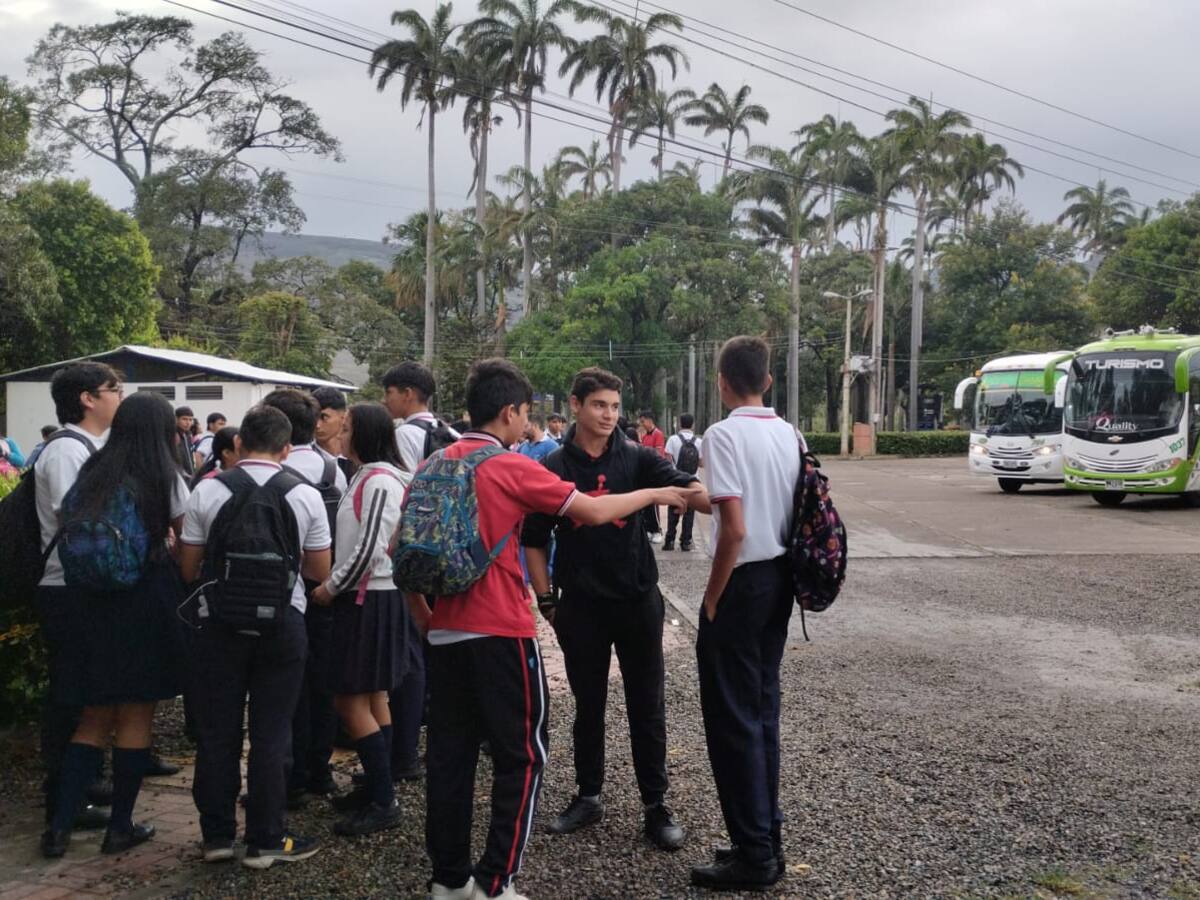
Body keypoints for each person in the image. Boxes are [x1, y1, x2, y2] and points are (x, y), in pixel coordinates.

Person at [417, 358, 695, 900]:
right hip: (511, 626)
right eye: (524, 412)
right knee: (522, 754)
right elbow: (584, 515)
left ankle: (448, 882)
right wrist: (655, 497)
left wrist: (427, 623)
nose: (608, 415)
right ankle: (498, 881)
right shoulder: (524, 466)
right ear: (511, 412)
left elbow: (404, 553)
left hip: (449, 632)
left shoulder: (434, 465)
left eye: (615, 407)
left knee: (451, 757)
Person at [522, 368, 703, 853]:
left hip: (638, 600)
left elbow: (692, 492)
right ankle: (589, 795)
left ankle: (656, 805)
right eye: (599, 405)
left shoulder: (640, 457)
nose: (609, 415)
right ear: (575, 404)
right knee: (588, 706)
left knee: (648, 705)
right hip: (581, 605)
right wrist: (547, 602)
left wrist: (728, 498)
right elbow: (534, 541)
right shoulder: (555, 466)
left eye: (615, 407)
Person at [179, 405, 332, 869]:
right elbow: (318, 570)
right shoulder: (303, 495)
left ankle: (217, 837)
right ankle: (266, 839)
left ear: (239, 443)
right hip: (283, 625)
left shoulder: (207, 490)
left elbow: (188, 568)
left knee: (217, 732)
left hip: (220, 625)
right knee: (272, 732)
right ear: (287, 449)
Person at [39, 392, 190, 859]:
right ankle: (119, 827)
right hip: (142, 602)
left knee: (94, 714)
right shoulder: (163, 474)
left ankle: (59, 828)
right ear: (164, 430)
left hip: (90, 604)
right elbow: (188, 546)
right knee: (136, 714)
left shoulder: (92, 468)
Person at [689, 336, 802, 892]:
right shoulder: (790, 433)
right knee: (761, 712)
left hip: (742, 585)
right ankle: (764, 838)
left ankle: (753, 857)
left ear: (722, 382)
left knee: (731, 721)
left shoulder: (723, 434)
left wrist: (712, 597)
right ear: (769, 380)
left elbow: (733, 529)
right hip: (781, 580)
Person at [310, 403, 411, 837]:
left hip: (367, 598)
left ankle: (384, 799)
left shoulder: (379, 479)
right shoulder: (368, 476)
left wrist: (330, 587)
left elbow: (371, 547)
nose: (340, 433)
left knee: (350, 700)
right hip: (372, 597)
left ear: (364, 434)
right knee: (373, 698)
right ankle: (376, 786)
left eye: (348, 428)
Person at [34, 363, 123, 844]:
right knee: (70, 696)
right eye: (115, 390)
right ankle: (62, 800)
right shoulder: (68, 450)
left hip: (82, 585)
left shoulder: (87, 447)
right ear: (88, 398)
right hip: (68, 587)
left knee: (88, 690)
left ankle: (83, 783)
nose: (120, 398)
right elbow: (79, 520)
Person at [261, 389, 346, 804]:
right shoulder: (332, 470)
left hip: (270, 591)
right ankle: (319, 770)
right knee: (321, 682)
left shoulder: (256, 470)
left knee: (278, 689)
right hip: (322, 589)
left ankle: (284, 777)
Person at [382, 361, 460, 474]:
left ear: (408, 394)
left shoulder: (403, 435)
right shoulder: (452, 433)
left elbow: (404, 483)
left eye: (389, 393)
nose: (384, 400)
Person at [664, 414, 703, 552]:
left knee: (673, 509)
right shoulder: (699, 442)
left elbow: (667, 459)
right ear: (693, 425)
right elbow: (702, 463)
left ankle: (669, 541)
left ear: (680, 424)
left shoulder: (673, 439)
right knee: (690, 511)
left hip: (676, 479)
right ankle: (686, 541)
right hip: (693, 481)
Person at [312, 387, 355, 482]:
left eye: (324, 417)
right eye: (314, 417)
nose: (317, 425)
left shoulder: (357, 458)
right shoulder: (307, 457)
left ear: (343, 416)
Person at [637, 410, 667, 545]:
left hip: (653, 472)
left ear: (650, 420)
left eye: (643, 421)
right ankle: (649, 528)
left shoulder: (658, 434)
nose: (642, 424)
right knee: (645, 503)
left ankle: (657, 530)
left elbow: (658, 454)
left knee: (653, 504)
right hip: (644, 472)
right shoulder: (644, 436)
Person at [174, 407, 196, 477]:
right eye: (184, 419)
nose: (188, 422)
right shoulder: (173, 436)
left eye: (190, 420)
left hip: (190, 476)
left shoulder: (188, 435)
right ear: (176, 419)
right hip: (179, 476)